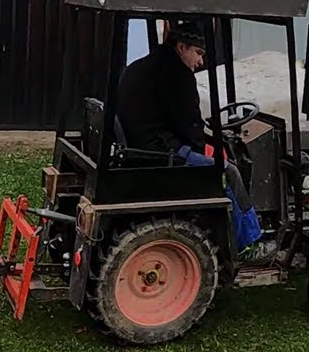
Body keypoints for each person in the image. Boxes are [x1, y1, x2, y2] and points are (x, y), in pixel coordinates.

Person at [115, 20, 274, 261]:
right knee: (229, 171)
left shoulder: (141, 66)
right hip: (162, 156)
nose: (200, 62)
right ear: (181, 47)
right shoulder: (177, 76)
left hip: (140, 145)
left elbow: (177, 120)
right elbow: (190, 129)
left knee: (218, 162)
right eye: (198, 53)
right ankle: (248, 243)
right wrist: (210, 149)